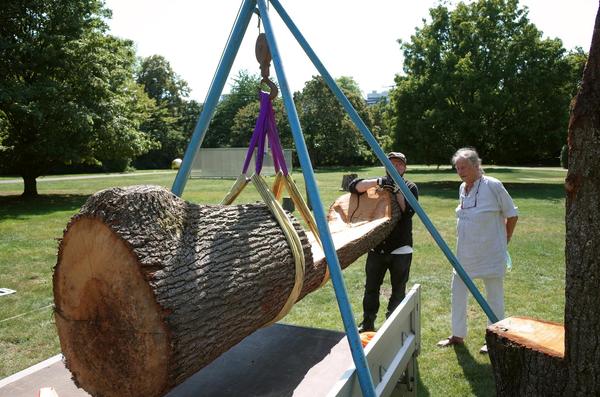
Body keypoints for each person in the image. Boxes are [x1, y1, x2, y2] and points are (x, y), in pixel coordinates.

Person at [437, 147, 518, 353]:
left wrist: (506, 238)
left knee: (494, 295)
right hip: (464, 253)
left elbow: (512, 214)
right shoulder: (462, 188)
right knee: (457, 291)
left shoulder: (493, 185)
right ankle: (457, 335)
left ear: (476, 165)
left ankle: (495, 338)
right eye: (457, 168)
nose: (460, 171)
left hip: (491, 252)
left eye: (464, 167)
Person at [349, 152, 419, 332]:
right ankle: (367, 324)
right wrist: (378, 182)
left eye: (399, 165)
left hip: (401, 249)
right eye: (392, 164)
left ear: (405, 168)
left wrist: (397, 191)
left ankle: (392, 327)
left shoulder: (410, 187)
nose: (396, 168)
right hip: (376, 248)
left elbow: (408, 212)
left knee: (398, 291)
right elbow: (353, 186)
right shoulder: (377, 185)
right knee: (371, 288)